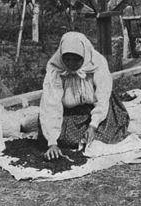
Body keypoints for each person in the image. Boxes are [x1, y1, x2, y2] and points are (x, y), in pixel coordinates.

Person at [39, 32, 130, 160]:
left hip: (96, 109)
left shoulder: (96, 63)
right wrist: (52, 142)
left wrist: (93, 125)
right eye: (67, 59)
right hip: (70, 112)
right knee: (64, 139)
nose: (70, 64)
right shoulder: (56, 70)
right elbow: (50, 104)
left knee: (104, 136)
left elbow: (103, 97)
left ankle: (96, 128)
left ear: (84, 55)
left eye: (76, 59)